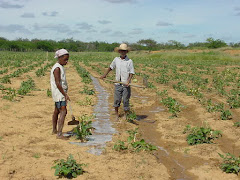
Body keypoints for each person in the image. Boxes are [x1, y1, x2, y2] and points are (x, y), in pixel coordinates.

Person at [100, 43, 135, 121]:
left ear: (126, 52)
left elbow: (131, 72)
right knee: (116, 100)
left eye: (124, 51)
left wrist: (128, 81)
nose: (123, 52)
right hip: (117, 84)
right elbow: (111, 67)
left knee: (125, 100)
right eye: (121, 51)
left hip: (126, 84)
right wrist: (104, 75)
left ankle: (125, 115)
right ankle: (116, 115)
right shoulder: (116, 60)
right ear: (119, 51)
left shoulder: (129, 61)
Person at [50, 49, 70, 139]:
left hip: (58, 93)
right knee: (63, 111)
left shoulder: (59, 66)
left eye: (67, 59)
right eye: (65, 59)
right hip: (59, 93)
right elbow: (58, 83)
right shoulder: (57, 68)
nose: (66, 61)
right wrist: (64, 94)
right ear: (60, 58)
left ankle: (54, 130)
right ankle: (59, 133)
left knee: (56, 111)